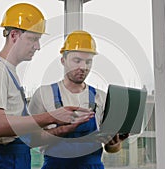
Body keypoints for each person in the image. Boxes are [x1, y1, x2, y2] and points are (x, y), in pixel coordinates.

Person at [0, 3, 94, 169]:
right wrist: (52, 116)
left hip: (15, 161)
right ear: (14, 35)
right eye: (33, 39)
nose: (38, 46)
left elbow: (26, 138)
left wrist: (65, 129)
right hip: (0, 163)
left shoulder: (9, 73)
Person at [29, 30, 129, 169]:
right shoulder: (44, 94)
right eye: (77, 60)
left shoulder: (102, 97)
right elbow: (29, 139)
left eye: (88, 61)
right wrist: (61, 131)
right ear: (63, 60)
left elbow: (111, 149)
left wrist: (114, 143)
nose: (83, 67)